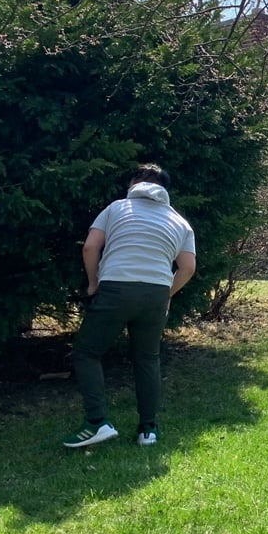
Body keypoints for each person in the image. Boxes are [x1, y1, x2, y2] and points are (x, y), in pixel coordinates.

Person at [63, 164, 196, 449]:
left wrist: (93, 283)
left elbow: (90, 247)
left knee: (87, 352)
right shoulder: (179, 221)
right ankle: (148, 429)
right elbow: (187, 267)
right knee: (147, 358)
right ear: (164, 189)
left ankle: (97, 422)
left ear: (134, 183)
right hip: (156, 292)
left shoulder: (116, 208)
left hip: (116, 285)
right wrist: (167, 293)